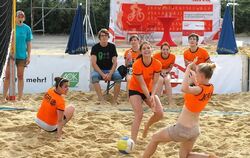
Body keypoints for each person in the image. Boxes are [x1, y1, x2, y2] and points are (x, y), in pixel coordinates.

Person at [143, 59, 217, 158]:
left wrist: (187, 69)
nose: (195, 74)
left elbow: (184, 89)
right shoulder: (210, 87)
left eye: (196, 74)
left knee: (154, 138)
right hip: (194, 130)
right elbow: (199, 90)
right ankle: (208, 157)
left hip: (182, 129)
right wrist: (194, 80)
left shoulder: (198, 89)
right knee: (185, 156)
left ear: (202, 76)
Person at [129, 41, 163, 143]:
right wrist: (149, 97)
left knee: (159, 113)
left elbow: (156, 82)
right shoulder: (137, 64)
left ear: (151, 49)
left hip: (148, 90)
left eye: (148, 48)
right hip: (135, 89)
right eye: (144, 48)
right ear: (141, 51)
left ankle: (147, 126)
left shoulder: (157, 63)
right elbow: (142, 84)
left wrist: (152, 95)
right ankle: (132, 142)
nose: (147, 50)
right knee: (139, 114)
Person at [2, 10, 33, 101]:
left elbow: (29, 43)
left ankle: (19, 98)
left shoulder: (27, 28)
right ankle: (3, 97)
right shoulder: (11, 27)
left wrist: (29, 56)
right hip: (10, 55)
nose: (20, 18)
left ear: (24, 18)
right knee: (7, 76)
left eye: (22, 17)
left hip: (22, 56)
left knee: (20, 76)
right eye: (18, 16)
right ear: (15, 17)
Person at [91, 28, 122, 104]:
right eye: (102, 36)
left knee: (118, 77)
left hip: (110, 69)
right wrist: (102, 74)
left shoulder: (112, 46)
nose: (104, 37)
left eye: (106, 35)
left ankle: (114, 100)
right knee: (94, 77)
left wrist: (110, 73)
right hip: (99, 70)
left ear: (108, 37)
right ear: (99, 37)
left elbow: (115, 62)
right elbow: (93, 63)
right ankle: (101, 99)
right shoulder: (95, 47)